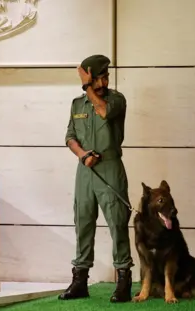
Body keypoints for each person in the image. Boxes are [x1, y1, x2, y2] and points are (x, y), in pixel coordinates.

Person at [59, 54, 134, 303]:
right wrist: (82, 156)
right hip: (85, 171)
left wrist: (87, 86)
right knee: (83, 222)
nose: (103, 82)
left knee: (117, 222)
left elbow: (103, 112)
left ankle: (123, 279)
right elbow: (70, 137)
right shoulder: (77, 104)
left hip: (110, 167)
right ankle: (80, 280)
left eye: (105, 77)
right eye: (99, 77)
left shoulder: (116, 100)